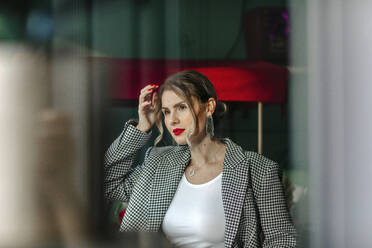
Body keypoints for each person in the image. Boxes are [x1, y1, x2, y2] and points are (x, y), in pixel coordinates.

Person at [104, 70, 297, 247]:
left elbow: (282, 240)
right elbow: (106, 184)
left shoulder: (258, 170)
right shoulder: (158, 162)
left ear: (209, 107)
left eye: (182, 107)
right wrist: (142, 126)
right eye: (166, 112)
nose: (172, 120)